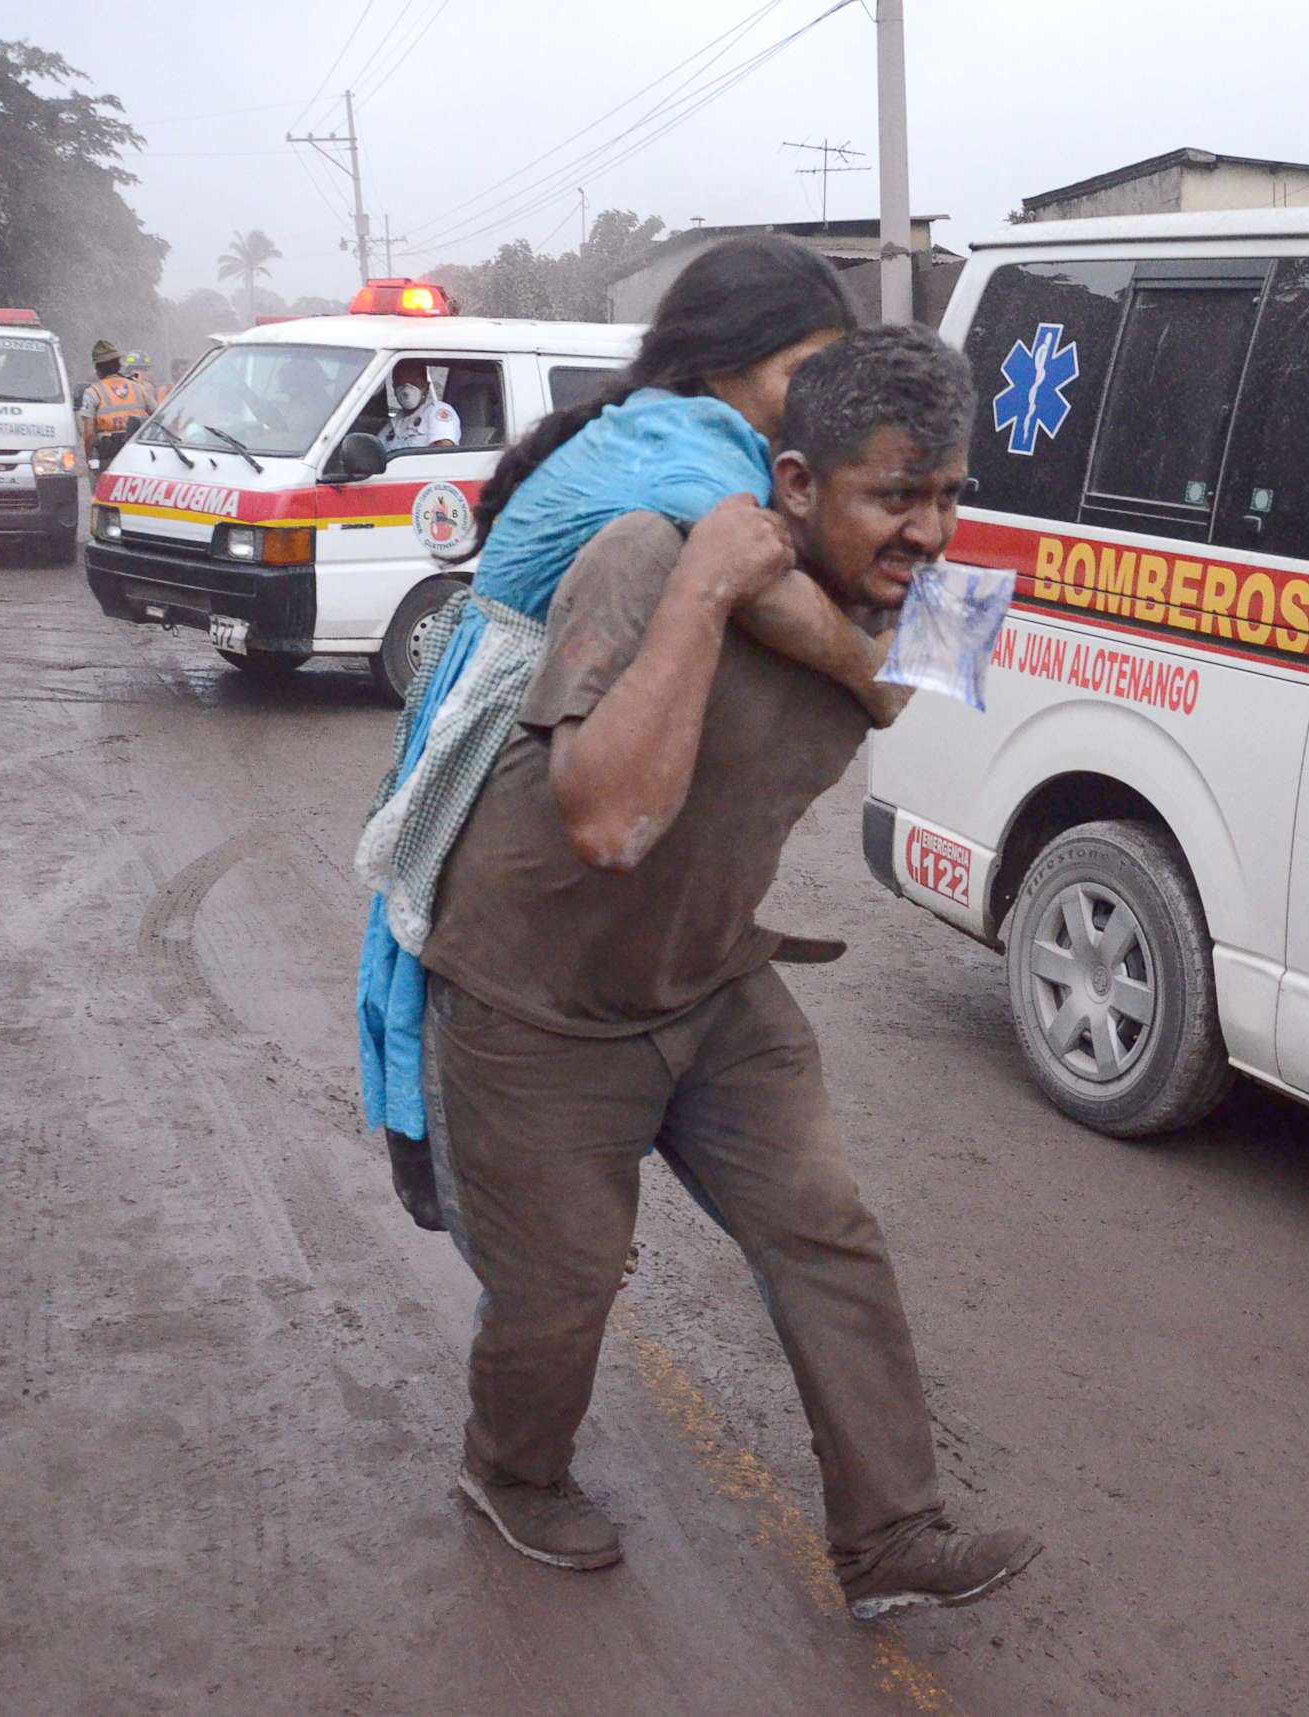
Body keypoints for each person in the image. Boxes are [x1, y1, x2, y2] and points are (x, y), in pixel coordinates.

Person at [419, 322, 1041, 1619]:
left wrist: (807, 607)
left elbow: (893, 686)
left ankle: (892, 1539)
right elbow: (606, 823)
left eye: (949, 495)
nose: (932, 535)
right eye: (896, 494)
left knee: (830, 1236)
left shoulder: (930, 592)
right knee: (565, 1289)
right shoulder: (644, 559)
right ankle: (509, 1470)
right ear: (798, 484)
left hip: (712, 987)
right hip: (534, 1001)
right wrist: (706, 596)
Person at [357, 235, 892, 1228]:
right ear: (726, 361)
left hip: (554, 715)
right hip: (512, 724)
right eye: (802, 374)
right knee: (462, 954)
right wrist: (882, 677)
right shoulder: (689, 435)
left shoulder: (699, 432)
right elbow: (767, 591)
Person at [76, 339, 154, 470]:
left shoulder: (92, 392)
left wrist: (88, 458)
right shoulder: (138, 388)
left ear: (97, 369)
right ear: (118, 365)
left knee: (103, 488)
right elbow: (157, 416)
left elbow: (89, 433)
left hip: (108, 456)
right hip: (135, 452)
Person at [378, 360, 459, 452]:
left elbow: (444, 450)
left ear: (426, 387)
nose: (406, 390)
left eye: (414, 382)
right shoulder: (395, 421)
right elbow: (375, 450)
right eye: (401, 383)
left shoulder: (437, 411)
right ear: (394, 387)